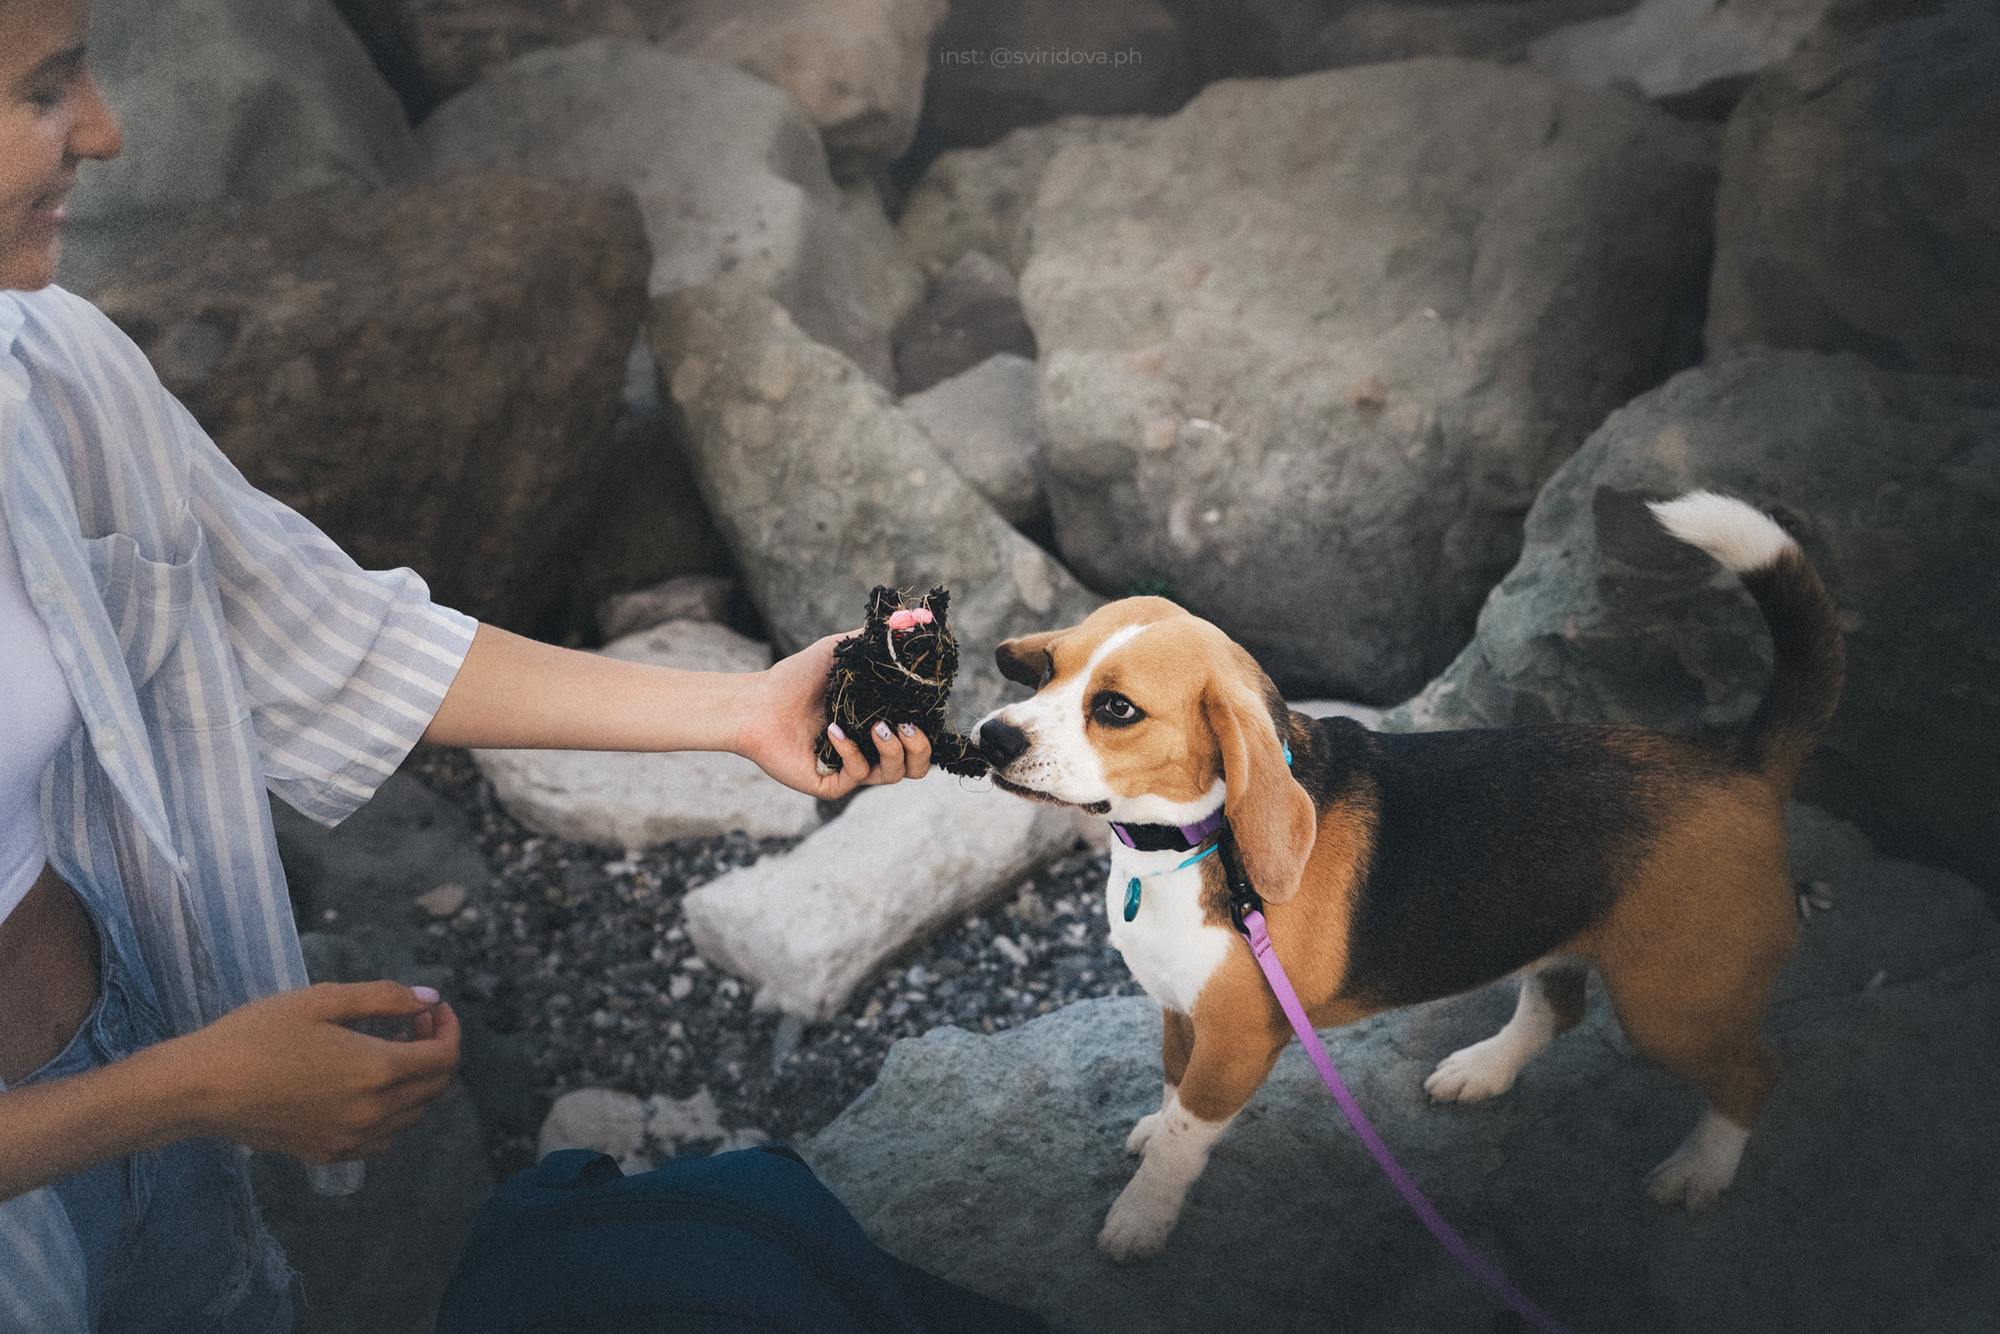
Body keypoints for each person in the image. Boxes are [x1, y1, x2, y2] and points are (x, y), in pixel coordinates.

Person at [0, 1, 932, 1328]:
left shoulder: (49, 366)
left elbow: (328, 635)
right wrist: (196, 1090)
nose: (105, 128)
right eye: (44, 90)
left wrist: (741, 709)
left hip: (133, 1033)